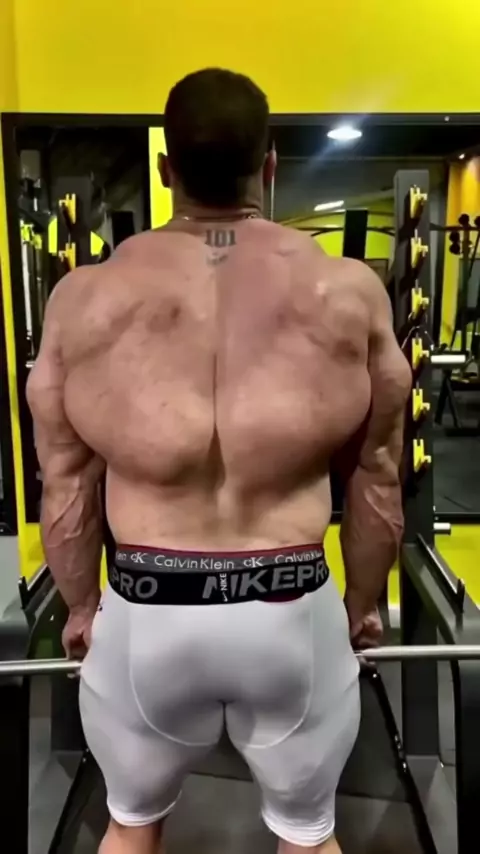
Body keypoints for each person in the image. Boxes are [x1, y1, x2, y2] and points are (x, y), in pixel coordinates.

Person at [27, 68, 412, 854]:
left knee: (129, 831)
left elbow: (65, 485)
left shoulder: (84, 300)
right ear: (268, 165)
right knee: (310, 839)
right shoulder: (347, 292)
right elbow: (377, 477)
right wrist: (362, 604)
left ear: (165, 168)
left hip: (147, 608)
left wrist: (81, 609)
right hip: (290, 607)